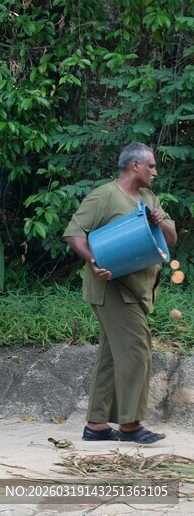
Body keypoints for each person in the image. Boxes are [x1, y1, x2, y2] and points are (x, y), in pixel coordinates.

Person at [63, 142, 177, 444]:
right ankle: (130, 426)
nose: (155, 171)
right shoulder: (105, 196)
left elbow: (171, 238)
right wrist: (93, 260)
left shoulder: (149, 198)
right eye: (150, 165)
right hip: (111, 287)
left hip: (138, 290)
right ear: (134, 166)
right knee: (137, 352)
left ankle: (97, 426)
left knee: (111, 356)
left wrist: (159, 220)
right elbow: (74, 233)